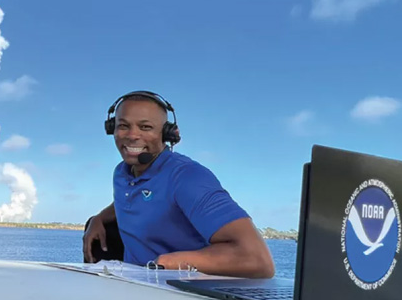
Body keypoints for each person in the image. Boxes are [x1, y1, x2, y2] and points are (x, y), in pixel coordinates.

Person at [83, 91, 273, 278]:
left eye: (146, 127)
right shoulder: (122, 172)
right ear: (111, 129)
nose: (132, 135)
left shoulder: (188, 177)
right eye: (123, 126)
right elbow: (130, 198)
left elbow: (258, 260)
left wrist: (172, 263)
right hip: (134, 286)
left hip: (179, 290)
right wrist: (98, 218)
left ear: (167, 134)